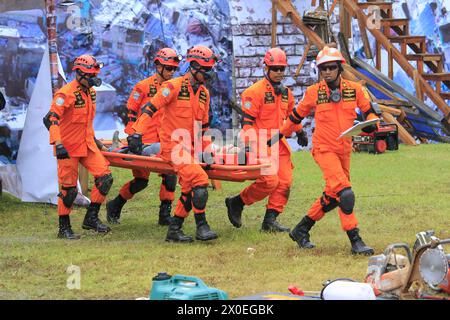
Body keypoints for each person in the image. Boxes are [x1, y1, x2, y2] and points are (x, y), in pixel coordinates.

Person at [282, 46, 378, 255]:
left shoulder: (355, 89)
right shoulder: (314, 92)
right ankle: (356, 239)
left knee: (334, 196)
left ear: (339, 68)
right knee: (345, 193)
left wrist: (371, 124)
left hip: (344, 149)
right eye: (323, 68)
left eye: (331, 68)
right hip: (323, 149)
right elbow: (296, 116)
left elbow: (370, 112)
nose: (326, 72)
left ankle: (301, 229)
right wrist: (277, 137)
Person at [128, 45, 219, 243]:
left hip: (191, 149)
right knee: (200, 180)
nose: (210, 74)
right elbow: (150, 108)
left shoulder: (204, 93)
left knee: (188, 188)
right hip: (172, 147)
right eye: (207, 69)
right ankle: (202, 226)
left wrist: (206, 151)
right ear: (194, 67)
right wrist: (136, 132)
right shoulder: (173, 86)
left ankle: (174, 230)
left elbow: (204, 128)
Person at [225, 47, 307, 232]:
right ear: (266, 69)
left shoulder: (286, 93)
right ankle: (237, 202)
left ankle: (270, 221)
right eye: (275, 68)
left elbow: (292, 117)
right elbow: (247, 125)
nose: (279, 72)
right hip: (260, 142)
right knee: (270, 181)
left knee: (284, 182)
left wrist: (300, 132)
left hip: (279, 143)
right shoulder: (254, 92)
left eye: (281, 69)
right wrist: (247, 145)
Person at [106, 48, 180, 226]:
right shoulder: (143, 87)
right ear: (158, 66)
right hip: (143, 142)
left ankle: (164, 215)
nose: (171, 72)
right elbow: (131, 114)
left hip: (164, 141)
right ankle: (115, 204)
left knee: (170, 175)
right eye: (168, 68)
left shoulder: (175, 88)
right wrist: (133, 138)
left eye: (173, 69)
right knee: (141, 182)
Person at [43, 54, 113, 239]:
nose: (93, 79)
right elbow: (51, 119)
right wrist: (58, 144)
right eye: (90, 75)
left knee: (105, 178)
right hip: (67, 148)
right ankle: (64, 228)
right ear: (79, 73)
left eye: (94, 75)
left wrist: (97, 142)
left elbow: (86, 122)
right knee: (69, 190)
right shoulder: (65, 94)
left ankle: (91, 218)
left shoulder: (91, 92)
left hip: (87, 145)